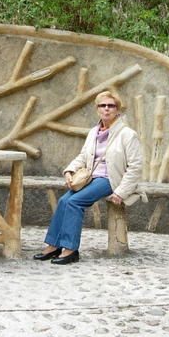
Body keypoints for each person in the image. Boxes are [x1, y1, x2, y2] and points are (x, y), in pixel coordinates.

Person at [34, 90, 143, 265]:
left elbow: (136, 167)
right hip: (92, 177)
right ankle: (54, 245)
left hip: (111, 180)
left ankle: (70, 250)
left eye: (111, 105)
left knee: (74, 202)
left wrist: (121, 192)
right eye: (102, 105)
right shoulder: (94, 132)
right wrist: (69, 171)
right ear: (97, 109)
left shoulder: (127, 134)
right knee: (63, 200)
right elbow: (84, 156)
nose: (106, 109)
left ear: (117, 109)